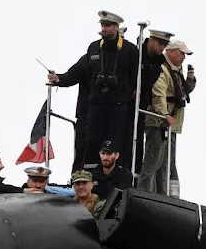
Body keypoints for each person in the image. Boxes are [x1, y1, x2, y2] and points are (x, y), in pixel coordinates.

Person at [49, 10, 139, 171]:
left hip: (118, 107)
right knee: (91, 143)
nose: (104, 29)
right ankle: (88, 177)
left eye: (108, 25)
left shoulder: (130, 50)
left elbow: (136, 79)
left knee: (115, 145)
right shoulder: (94, 48)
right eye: (102, 25)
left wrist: (126, 94)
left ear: (117, 27)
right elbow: (76, 72)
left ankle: (114, 180)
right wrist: (58, 79)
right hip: (96, 106)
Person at [137, 40, 196, 197]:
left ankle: (162, 197)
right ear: (171, 51)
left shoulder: (176, 70)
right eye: (181, 53)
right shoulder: (163, 69)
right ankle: (144, 195)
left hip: (170, 124)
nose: (184, 57)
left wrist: (190, 81)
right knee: (152, 161)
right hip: (158, 122)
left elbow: (181, 92)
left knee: (166, 164)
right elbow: (159, 93)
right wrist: (164, 115)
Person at [123, 29, 173, 181]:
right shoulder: (135, 54)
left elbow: (151, 85)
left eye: (165, 45)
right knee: (124, 141)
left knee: (137, 144)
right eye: (160, 43)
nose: (162, 48)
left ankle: (134, 176)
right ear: (151, 40)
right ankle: (124, 174)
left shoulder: (158, 63)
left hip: (141, 107)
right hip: (124, 104)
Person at [47, 54, 90, 172]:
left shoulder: (128, 53)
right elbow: (72, 75)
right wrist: (57, 78)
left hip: (116, 115)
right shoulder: (93, 53)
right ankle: (77, 182)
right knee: (82, 152)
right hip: (87, 114)